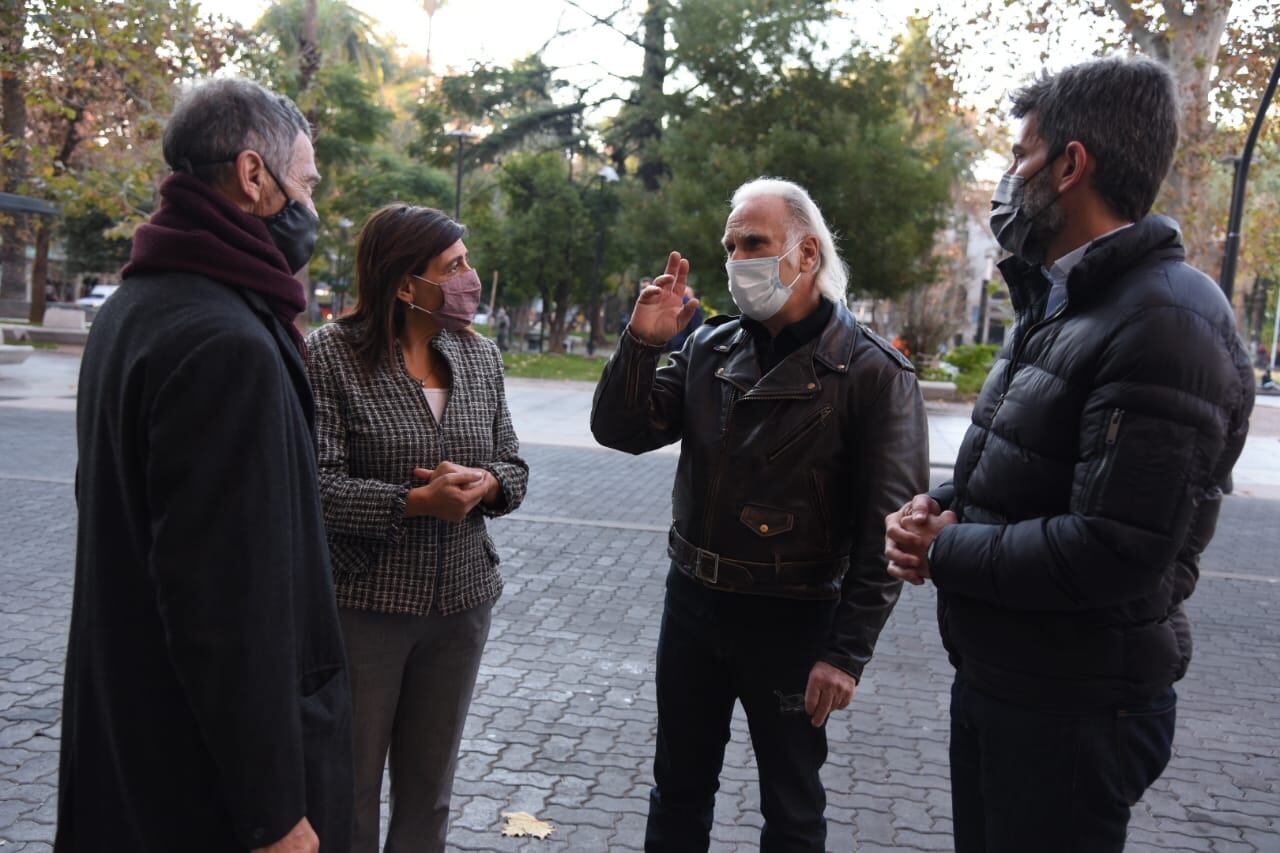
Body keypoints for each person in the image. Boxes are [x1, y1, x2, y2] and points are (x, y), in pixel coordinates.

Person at [884, 58, 1255, 853]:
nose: (1009, 179)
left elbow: (1113, 547)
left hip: (1074, 708)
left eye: (1021, 155)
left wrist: (946, 550)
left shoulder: (1165, 322)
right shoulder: (1061, 299)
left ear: (1070, 164)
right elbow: (1035, 464)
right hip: (1010, 679)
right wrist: (943, 506)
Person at [58, 79, 352, 853]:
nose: (313, 209)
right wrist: (274, 811)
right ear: (255, 178)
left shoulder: (137, 304)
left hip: (134, 735)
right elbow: (226, 605)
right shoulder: (227, 342)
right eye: (308, 185)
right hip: (205, 787)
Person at [592, 177, 928, 851]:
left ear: (806, 254)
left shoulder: (870, 372)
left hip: (795, 616)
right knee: (678, 790)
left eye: (756, 243)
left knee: (792, 806)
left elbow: (883, 530)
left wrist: (846, 653)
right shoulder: (709, 349)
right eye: (731, 245)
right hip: (692, 604)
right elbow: (622, 429)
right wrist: (641, 342)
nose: (739, 258)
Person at [306, 203, 528, 853]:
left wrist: (489, 484)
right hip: (365, 608)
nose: (471, 277)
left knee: (429, 792)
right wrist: (411, 502)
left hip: (460, 605)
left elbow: (512, 464)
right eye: (453, 266)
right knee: (349, 791)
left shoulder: (481, 356)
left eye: (468, 261)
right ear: (405, 283)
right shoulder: (331, 356)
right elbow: (313, 487)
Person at [666, 282, 705, 353]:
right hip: (686, 346)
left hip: (677, 345)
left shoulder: (672, 306)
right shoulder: (694, 308)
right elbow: (696, 330)